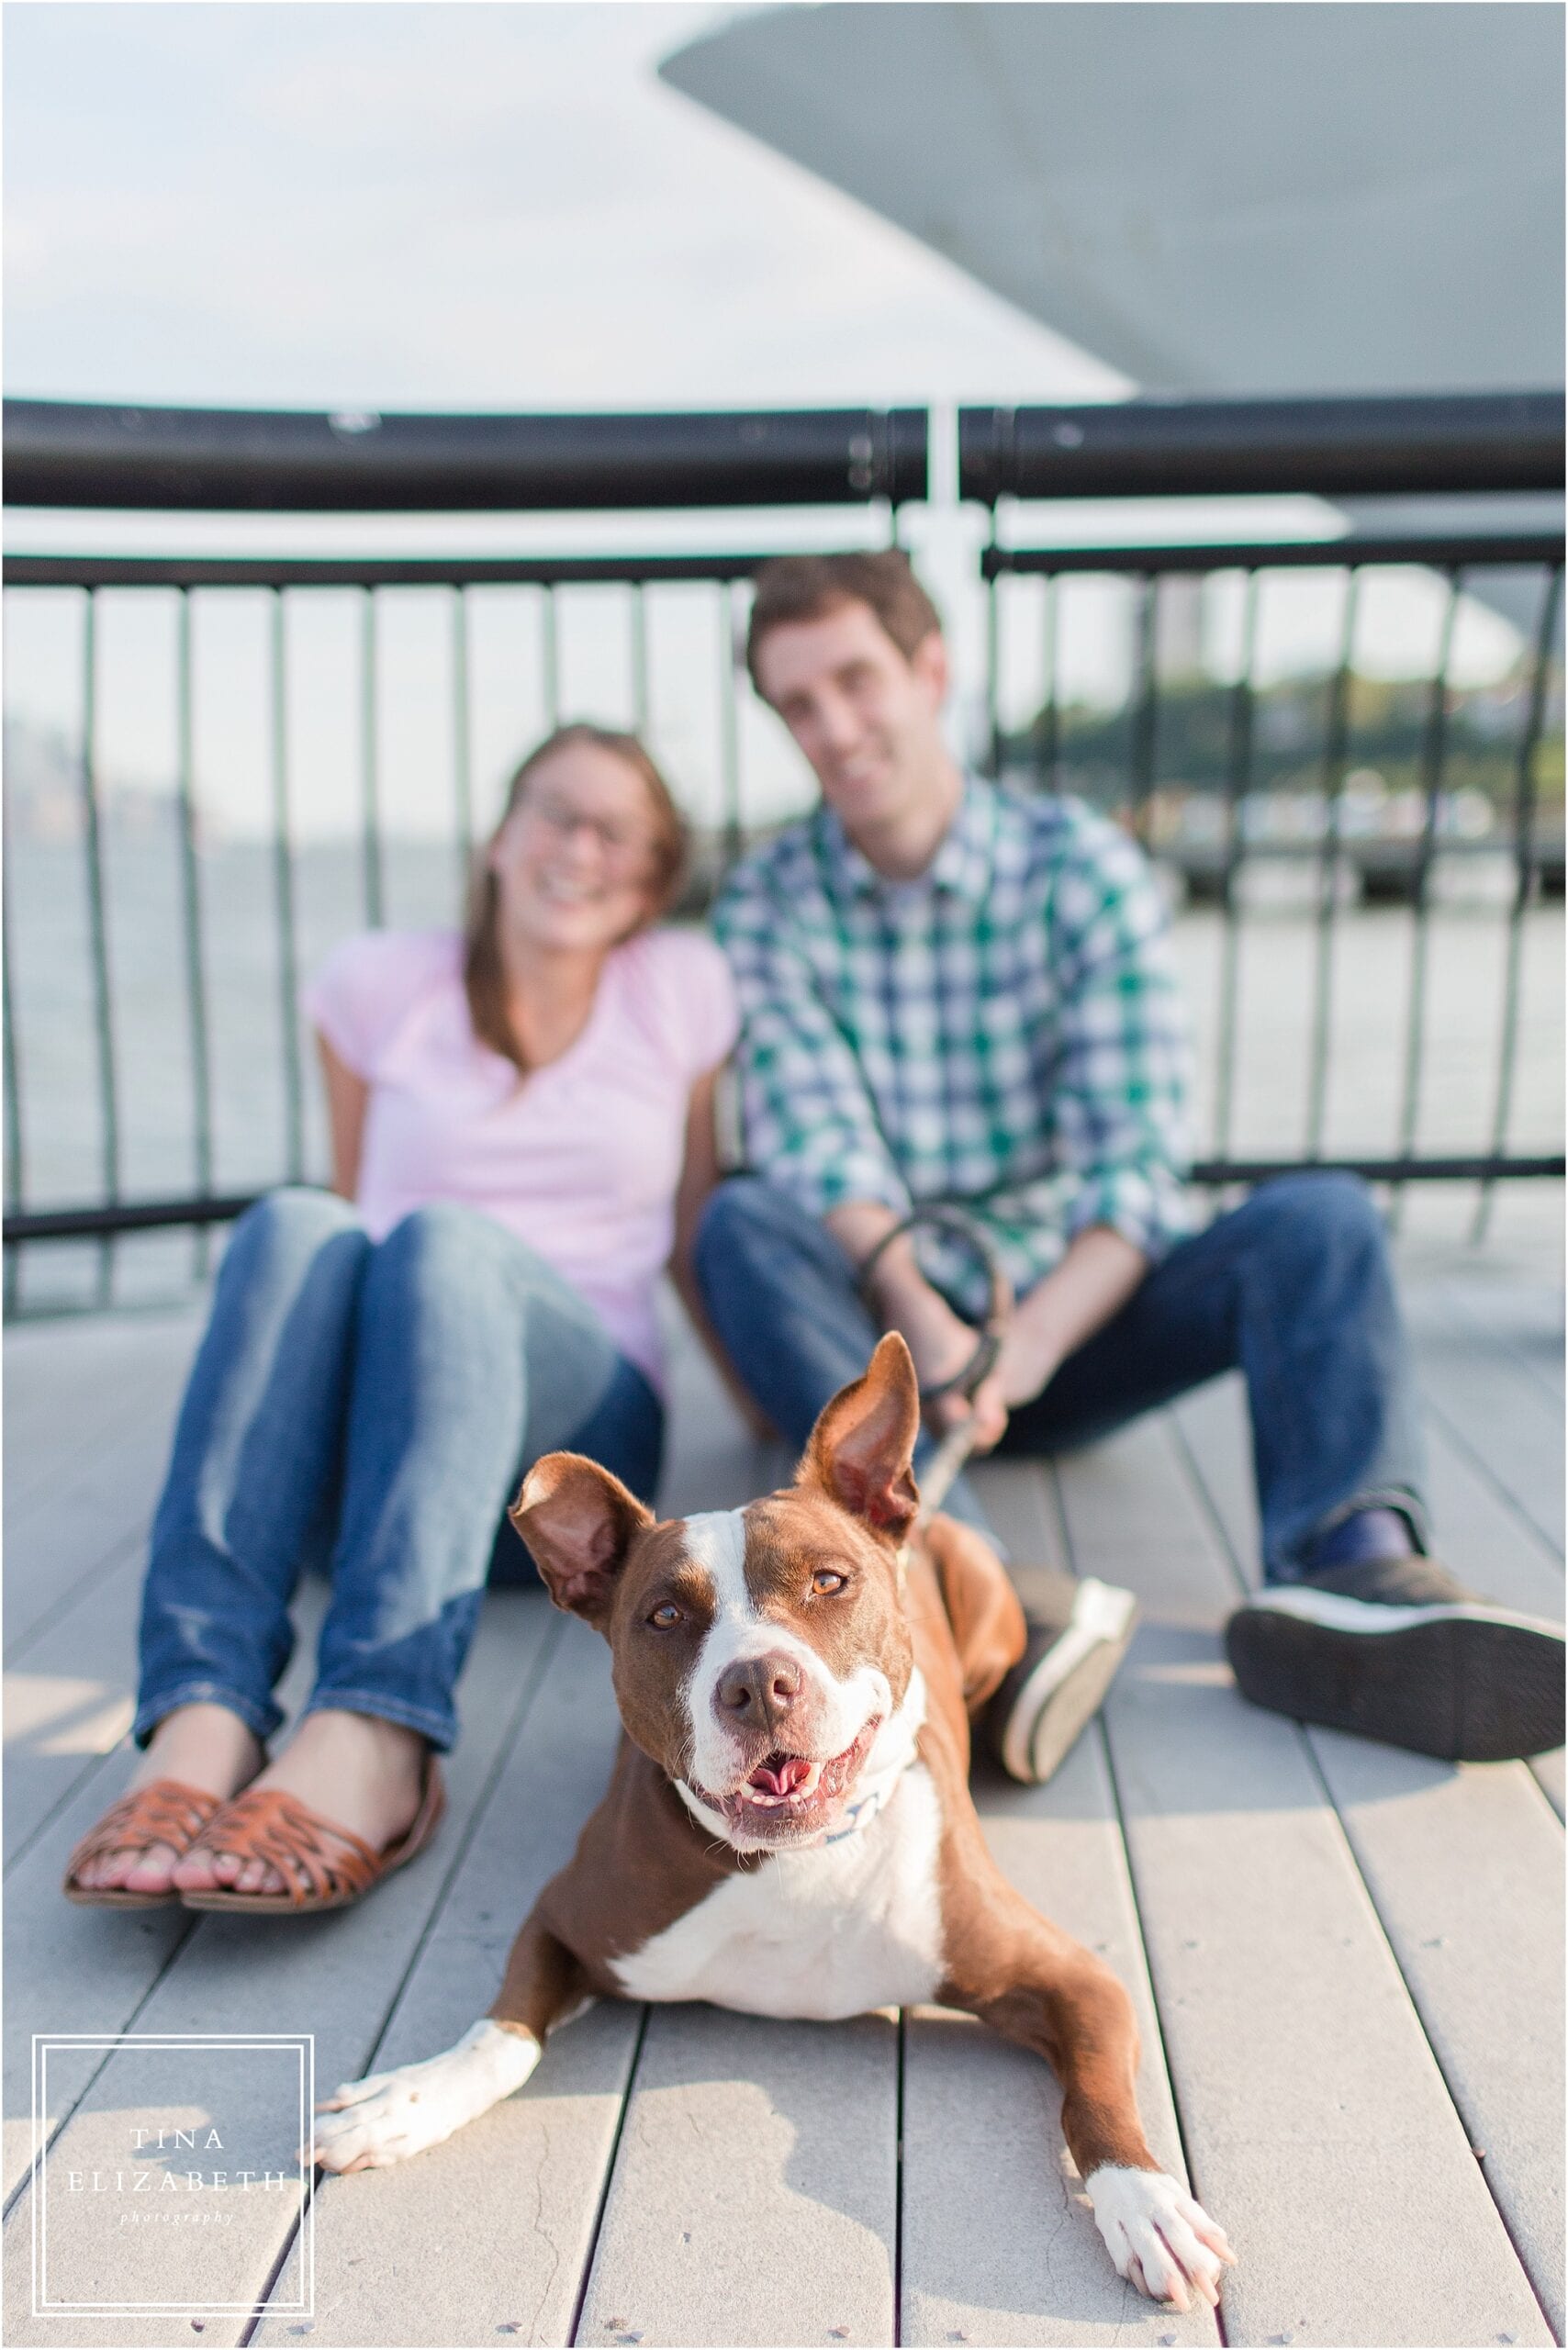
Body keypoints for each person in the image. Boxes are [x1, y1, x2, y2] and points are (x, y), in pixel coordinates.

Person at [694, 551, 1565, 1779]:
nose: (834, 728)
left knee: (1318, 1222)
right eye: (799, 704)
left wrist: (1030, 1341)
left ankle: (1353, 1576)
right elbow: (817, 1141)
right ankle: (970, 1588)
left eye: (855, 680)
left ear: (931, 669)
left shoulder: (1083, 867)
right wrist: (925, 1329)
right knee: (742, 1224)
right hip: (889, 1347)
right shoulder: (770, 900)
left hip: (1077, 1319)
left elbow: (1136, 1163)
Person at [64, 724, 738, 1913]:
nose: (577, 848)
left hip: (573, 1470)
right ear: (498, 835)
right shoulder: (379, 983)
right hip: (375, 1480)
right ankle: (204, 1711)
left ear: (646, 878)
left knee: (444, 1239)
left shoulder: (679, 989)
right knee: (298, 1225)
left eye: (614, 832)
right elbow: (340, 1242)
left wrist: (762, 1423)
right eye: (554, 814)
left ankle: (381, 1725)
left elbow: (689, 1231)